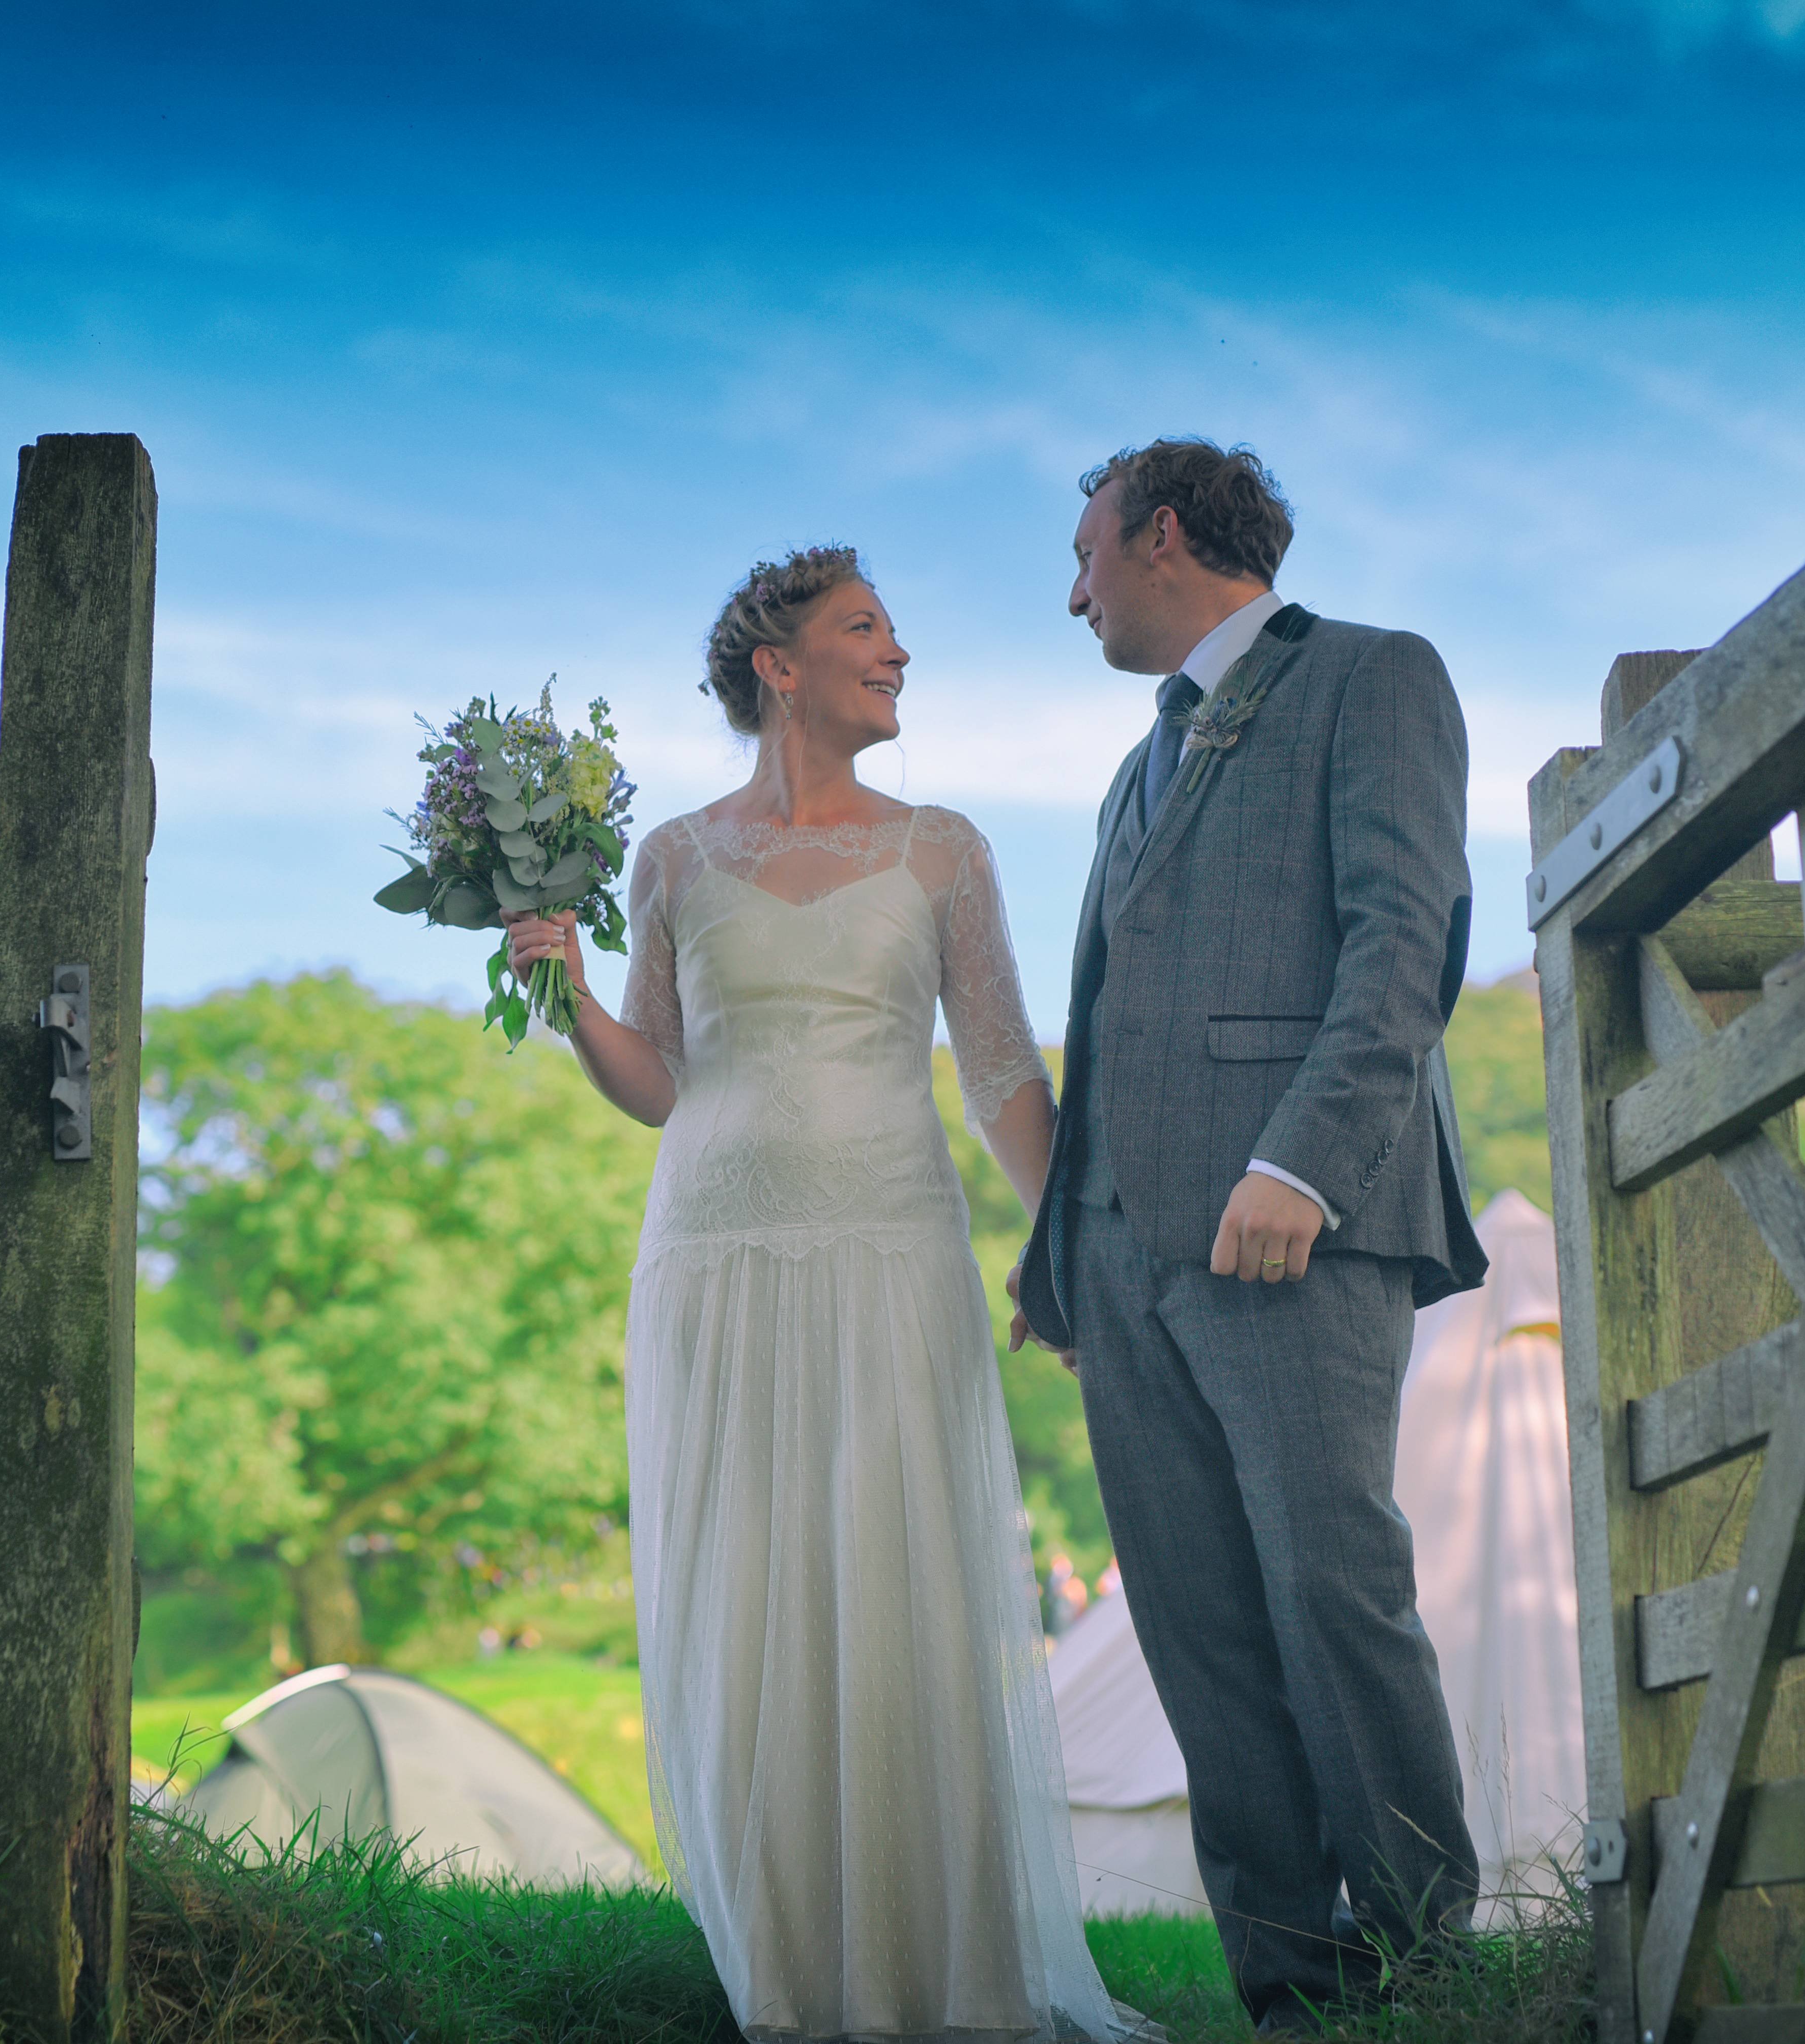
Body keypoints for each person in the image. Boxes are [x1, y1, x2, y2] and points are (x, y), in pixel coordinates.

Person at [507, 548, 1147, 2044]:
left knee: (898, 1589)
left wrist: (1065, 1251)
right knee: (747, 1602)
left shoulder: (944, 850)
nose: (901, 652)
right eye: (868, 628)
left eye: (897, 630)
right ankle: (788, 1975)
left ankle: (942, 1975)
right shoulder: (672, 855)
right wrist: (572, 1000)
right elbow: (659, 1085)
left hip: (890, 1250)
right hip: (713, 1259)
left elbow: (998, 1073)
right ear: (778, 667)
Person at [1011, 438, 1490, 2034]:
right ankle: (1290, 1993)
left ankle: (1426, 1977)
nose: (1070, 592)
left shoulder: (1374, 676)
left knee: (1332, 1594)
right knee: (1198, 1634)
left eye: (1085, 557)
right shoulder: (1127, 768)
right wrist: (1058, 1256)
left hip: (1291, 1228)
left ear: (1161, 535)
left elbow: (1404, 937)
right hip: (1122, 1257)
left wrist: (1303, 1162)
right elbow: (1104, 1018)